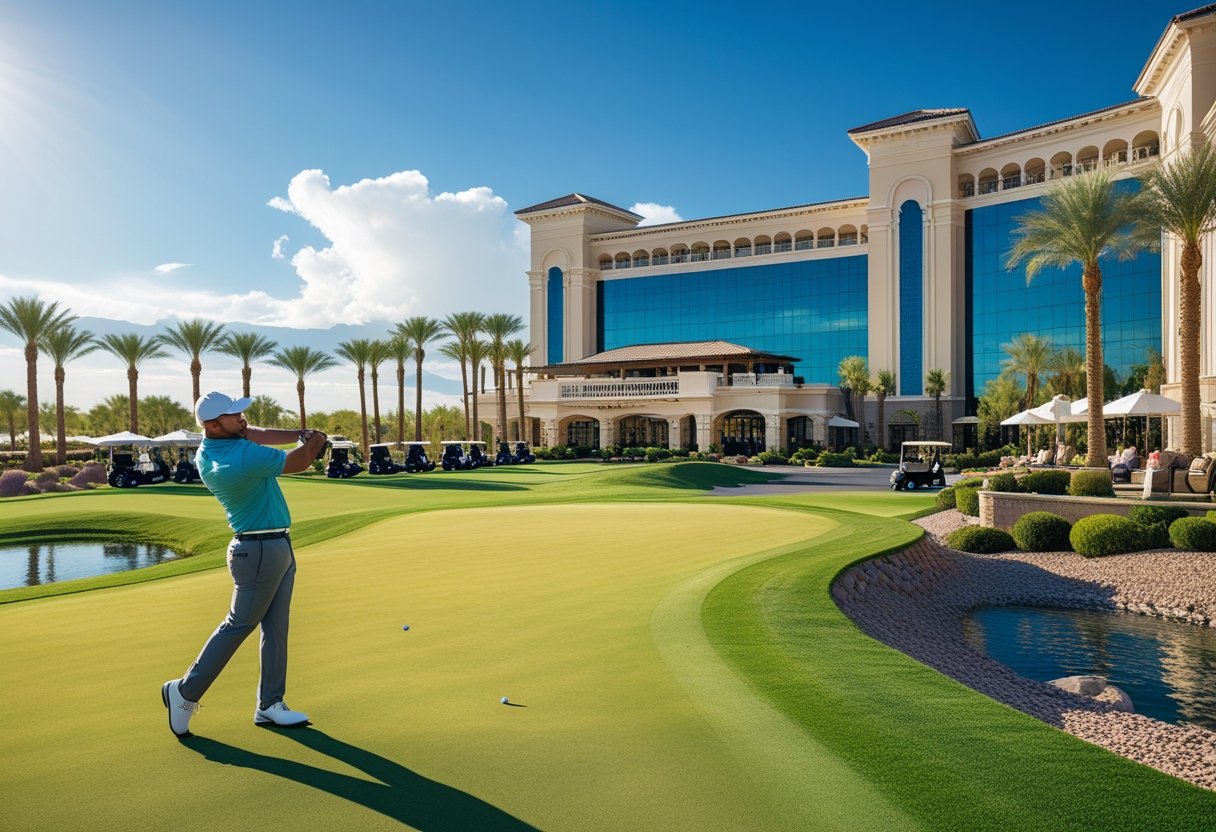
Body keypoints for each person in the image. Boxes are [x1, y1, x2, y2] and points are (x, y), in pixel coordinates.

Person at [161, 391, 328, 739]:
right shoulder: (239, 456)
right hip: (259, 551)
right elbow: (299, 463)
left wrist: (300, 434)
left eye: (240, 412)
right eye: (234, 415)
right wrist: (317, 442)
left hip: (275, 545)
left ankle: (270, 704)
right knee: (237, 626)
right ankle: (184, 692)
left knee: (276, 628)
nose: (242, 418)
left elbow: (259, 431)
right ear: (212, 424)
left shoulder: (220, 444)